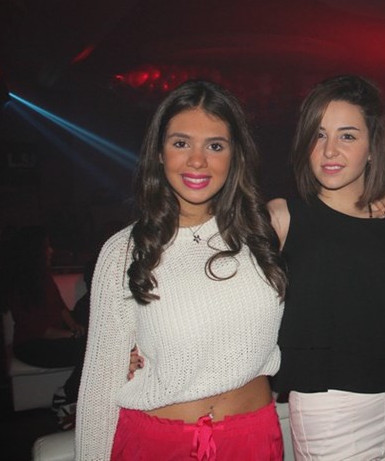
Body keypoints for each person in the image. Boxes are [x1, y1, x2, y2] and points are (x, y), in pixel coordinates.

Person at [76, 80, 287, 460]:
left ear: (235, 155)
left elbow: (344, 218)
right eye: (181, 143)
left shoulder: (267, 231)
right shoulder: (124, 251)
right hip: (159, 444)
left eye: (215, 146)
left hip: (254, 440)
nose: (197, 160)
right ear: (159, 152)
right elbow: (100, 385)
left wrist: (384, 200)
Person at [268, 74, 385, 460]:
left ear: (372, 148)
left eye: (347, 136)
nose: (329, 150)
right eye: (319, 135)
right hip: (328, 410)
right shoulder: (283, 217)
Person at [5, 225, 86, 429]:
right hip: (32, 345)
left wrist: (74, 325)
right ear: (33, 251)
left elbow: (61, 307)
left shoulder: (43, 276)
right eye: (46, 247)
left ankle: (73, 397)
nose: (51, 250)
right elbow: (40, 330)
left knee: (91, 340)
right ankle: (66, 395)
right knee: (88, 349)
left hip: (53, 337)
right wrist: (71, 334)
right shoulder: (21, 285)